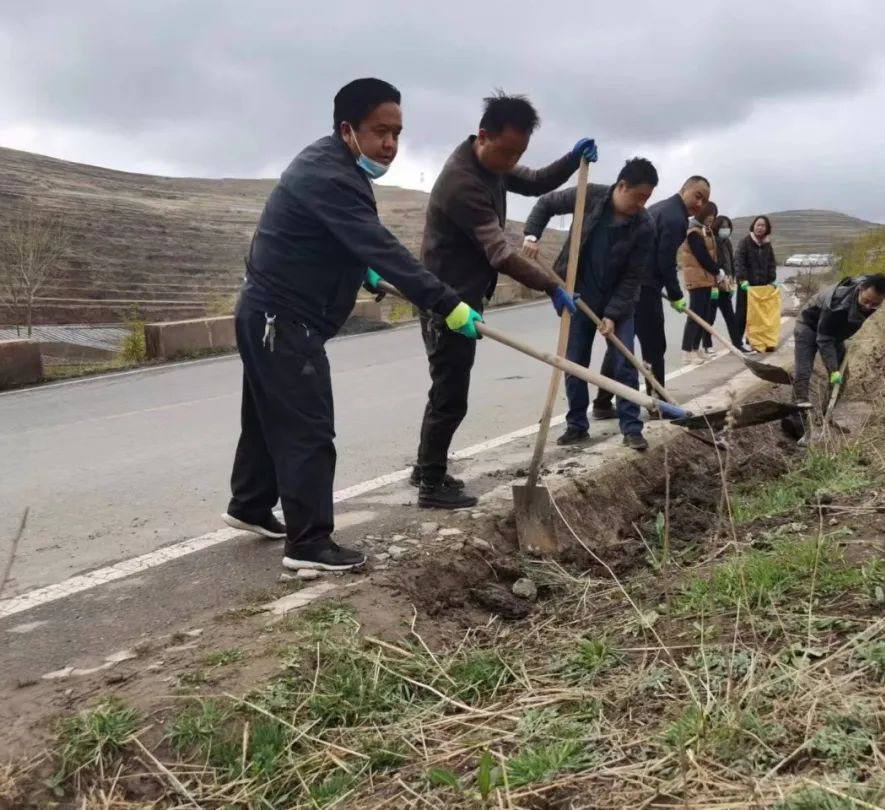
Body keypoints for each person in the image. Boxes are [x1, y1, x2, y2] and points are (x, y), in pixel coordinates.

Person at [223, 78, 484, 572]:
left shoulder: (331, 164)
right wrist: (446, 304)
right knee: (307, 429)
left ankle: (250, 505)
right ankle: (309, 545)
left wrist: (359, 270)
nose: (390, 144)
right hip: (282, 321)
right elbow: (377, 243)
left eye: (397, 134)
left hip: (264, 314)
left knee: (265, 418)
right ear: (348, 129)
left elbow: (331, 237)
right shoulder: (332, 177)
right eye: (380, 131)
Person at [413, 91, 596, 509]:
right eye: (509, 151)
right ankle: (432, 483)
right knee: (450, 392)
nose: (514, 161)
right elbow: (500, 251)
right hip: (447, 300)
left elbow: (535, 182)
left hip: (462, 293)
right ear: (483, 136)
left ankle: (426, 466)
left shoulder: (493, 163)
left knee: (446, 387)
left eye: (521, 152)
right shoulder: (463, 181)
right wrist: (551, 284)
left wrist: (572, 159)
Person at [521, 158, 659, 451]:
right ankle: (576, 425)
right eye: (639, 197)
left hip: (618, 301)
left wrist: (612, 314)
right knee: (574, 362)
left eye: (647, 198)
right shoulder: (589, 196)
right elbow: (545, 204)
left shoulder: (645, 225)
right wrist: (532, 235)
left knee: (625, 364)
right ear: (622, 186)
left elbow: (634, 275)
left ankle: (632, 428)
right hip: (577, 293)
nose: (642, 204)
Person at [591, 176, 711, 419]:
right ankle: (658, 405)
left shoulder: (660, 209)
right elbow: (665, 261)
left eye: (705, 200)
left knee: (621, 346)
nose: (700, 203)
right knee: (655, 346)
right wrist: (677, 295)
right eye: (698, 195)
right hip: (643, 288)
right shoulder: (676, 218)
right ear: (684, 188)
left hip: (628, 283)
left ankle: (603, 403)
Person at [782, 273, 885, 440]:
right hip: (809, 326)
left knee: (843, 376)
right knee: (804, 372)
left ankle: (825, 416)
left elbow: (836, 331)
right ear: (860, 290)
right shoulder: (836, 305)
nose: (869, 306)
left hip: (833, 333)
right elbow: (824, 339)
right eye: (866, 301)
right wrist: (833, 370)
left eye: (875, 304)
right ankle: (797, 418)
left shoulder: (869, 296)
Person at [678, 201, 725, 364]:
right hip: (697, 279)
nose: (711, 219)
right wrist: (716, 271)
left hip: (706, 279)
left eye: (714, 216)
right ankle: (686, 351)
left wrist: (716, 271)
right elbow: (702, 256)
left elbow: (712, 255)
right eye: (710, 215)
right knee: (695, 315)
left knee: (704, 315)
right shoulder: (693, 232)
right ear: (702, 214)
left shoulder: (706, 231)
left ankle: (696, 349)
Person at [734, 215, 778, 352]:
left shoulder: (767, 245)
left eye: (763, 226)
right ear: (753, 226)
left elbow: (771, 263)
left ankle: (756, 341)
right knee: (742, 314)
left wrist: (772, 280)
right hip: (746, 286)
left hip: (761, 288)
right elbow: (739, 262)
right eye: (758, 225)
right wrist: (742, 279)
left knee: (760, 316)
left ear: (767, 229)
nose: (760, 228)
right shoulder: (745, 242)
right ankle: (736, 342)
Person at [704, 214, 742, 353]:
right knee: (710, 315)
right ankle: (706, 345)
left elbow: (731, 263)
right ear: (716, 227)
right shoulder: (712, 241)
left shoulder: (728, 243)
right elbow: (710, 262)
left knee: (730, 316)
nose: (725, 229)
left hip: (726, 285)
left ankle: (737, 344)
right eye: (722, 227)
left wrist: (733, 280)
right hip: (714, 285)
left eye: (727, 227)